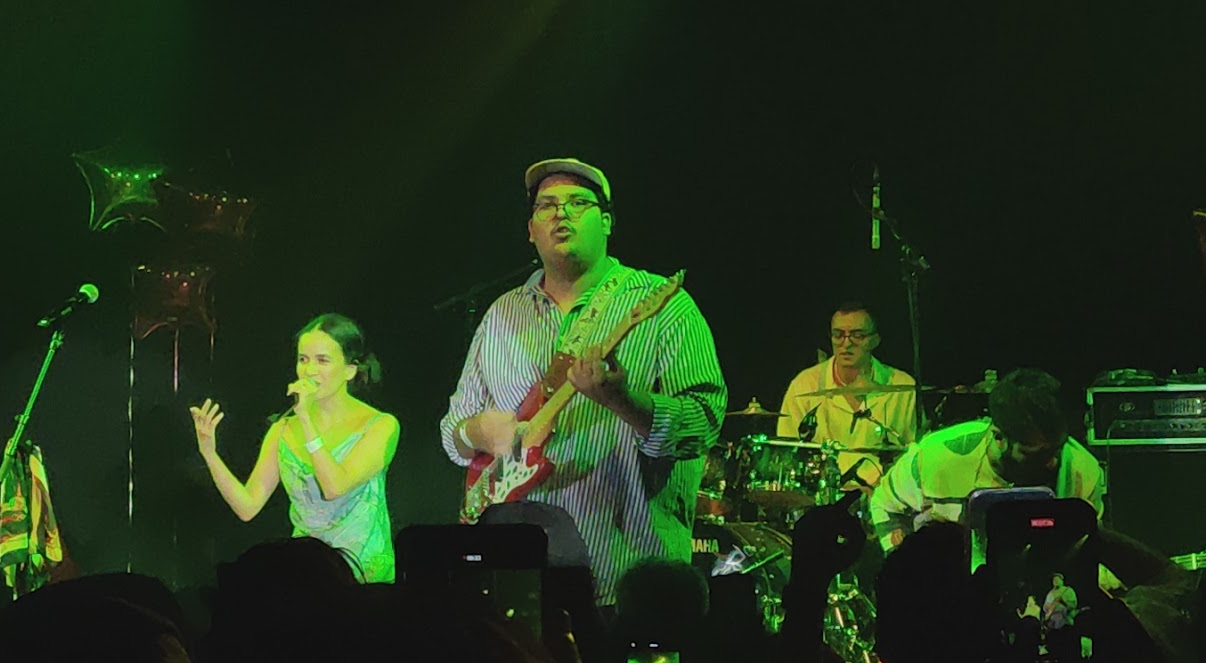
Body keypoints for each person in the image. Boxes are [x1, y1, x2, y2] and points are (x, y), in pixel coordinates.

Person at [441, 157, 726, 605]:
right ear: (530, 229)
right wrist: (475, 432)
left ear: (607, 221)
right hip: (516, 578)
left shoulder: (664, 307)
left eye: (579, 203)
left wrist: (624, 401)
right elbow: (452, 430)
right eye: (547, 206)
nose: (562, 214)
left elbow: (705, 423)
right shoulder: (501, 313)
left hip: (625, 578)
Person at [189, 314, 398, 583]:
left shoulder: (380, 426)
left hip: (364, 577)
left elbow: (334, 486)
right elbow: (247, 506)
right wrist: (209, 453)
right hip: (306, 573)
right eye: (303, 359)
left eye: (322, 360)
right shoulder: (283, 430)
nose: (310, 370)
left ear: (349, 370)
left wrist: (307, 422)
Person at [868, 368, 1104, 552]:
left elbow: (1089, 547)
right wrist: (903, 561)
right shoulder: (936, 456)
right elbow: (884, 503)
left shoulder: (1082, 469)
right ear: (998, 437)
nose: (1053, 462)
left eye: (1057, 449)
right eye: (1036, 454)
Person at [777, 301, 917, 487]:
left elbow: (912, 455)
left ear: (875, 340)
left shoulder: (902, 387)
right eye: (838, 335)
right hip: (820, 499)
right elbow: (786, 453)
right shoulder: (804, 385)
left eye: (857, 336)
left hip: (881, 499)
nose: (846, 343)